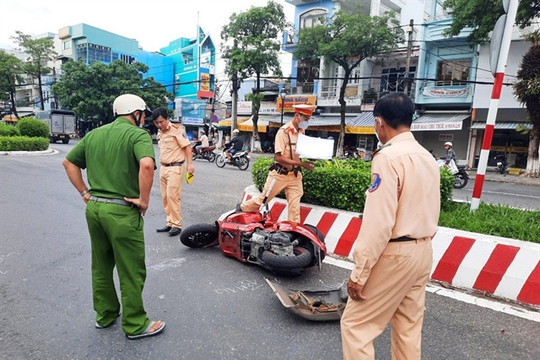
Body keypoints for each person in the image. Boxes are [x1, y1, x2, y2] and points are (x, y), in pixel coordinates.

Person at [340, 92, 440, 360]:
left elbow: (379, 223)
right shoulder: (427, 158)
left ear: (379, 123)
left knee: (356, 326)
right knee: (407, 328)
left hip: (394, 254)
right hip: (423, 251)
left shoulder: (387, 158)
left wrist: (359, 273)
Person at [62, 94, 165, 340]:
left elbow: (68, 163)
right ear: (136, 113)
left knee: (101, 265)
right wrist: (144, 200)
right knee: (131, 269)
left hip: (95, 209)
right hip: (121, 211)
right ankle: (135, 324)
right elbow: (147, 165)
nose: (144, 119)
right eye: (143, 114)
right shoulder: (137, 135)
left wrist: (84, 192)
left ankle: (105, 315)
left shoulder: (94, 134)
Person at [238, 104, 316, 223]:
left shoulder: (302, 131)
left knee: (294, 208)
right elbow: (278, 158)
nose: (307, 122)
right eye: (306, 119)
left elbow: (299, 152)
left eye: (308, 119)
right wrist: (301, 164)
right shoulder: (283, 132)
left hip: (295, 176)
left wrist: (310, 157)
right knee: (262, 200)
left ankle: (292, 233)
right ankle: (242, 208)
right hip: (280, 174)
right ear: (297, 116)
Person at [153, 108, 195, 237]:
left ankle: (177, 224)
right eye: (156, 123)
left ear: (167, 119)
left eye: (161, 121)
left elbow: (187, 147)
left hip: (175, 167)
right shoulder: (160, 133)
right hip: (163, 167)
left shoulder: (177, 130)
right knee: (165, 197)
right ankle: (170, 222)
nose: (159, 125)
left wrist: (190, 165)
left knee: (173, 196)